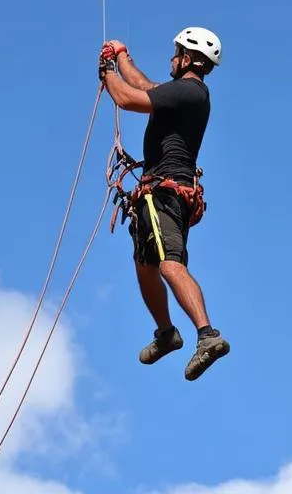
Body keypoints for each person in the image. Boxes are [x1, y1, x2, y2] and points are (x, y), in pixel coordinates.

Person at [98, 26, 230, 381]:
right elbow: (144, 86)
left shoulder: (190, 91)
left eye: (175, 53)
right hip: (161, 193)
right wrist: (122, 56)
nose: (171, 59)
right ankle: (167, 334)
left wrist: (106, 72)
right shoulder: (183, 92)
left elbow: (128, 99)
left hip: (165, 193)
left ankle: (207, 336)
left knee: (169, 264)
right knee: (145, 262)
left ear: (188, 58)